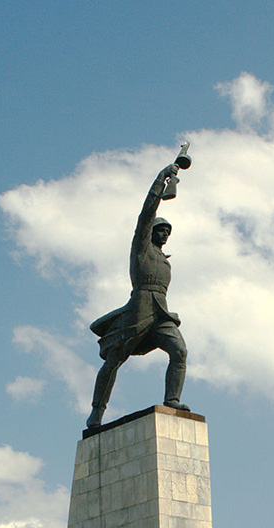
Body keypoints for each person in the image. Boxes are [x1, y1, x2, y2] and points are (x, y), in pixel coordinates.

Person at [86, 159, 191, 429]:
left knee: (179, 351)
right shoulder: (141, 248)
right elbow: (146, 213)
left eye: (168, 230)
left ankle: (172, 399)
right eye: (161, 229)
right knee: (115, 359)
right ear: (151, 231)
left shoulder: (164, 259)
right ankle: (97, 412)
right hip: (140, 307)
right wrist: (162, 180)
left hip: (162, 311)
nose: (165, 233)